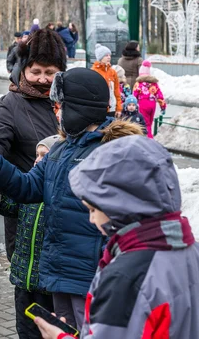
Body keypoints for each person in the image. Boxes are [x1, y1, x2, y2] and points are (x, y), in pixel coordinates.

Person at [0, 68, 143, 330]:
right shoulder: (60, 149)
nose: (56, 112)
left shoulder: (114, 151)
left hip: (92, 277)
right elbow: (28, 188)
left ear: (79, 107)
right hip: (58, 272)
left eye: (61, 106)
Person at [35, 136, 199, 339]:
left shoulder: (127, 278)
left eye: (94, 208)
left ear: (122, 205)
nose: (92, 219)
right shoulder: (190, 251)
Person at [0, 28, 62, 262]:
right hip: (27, 214)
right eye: (36, 71)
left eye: (50, 72)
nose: (43, 79)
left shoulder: (68, 102)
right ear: (23, 69)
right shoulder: (10, 104)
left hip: (64, 214)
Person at [0, 134, 60, 339]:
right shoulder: (28, 190)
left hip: (46, 285)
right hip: (23, 277)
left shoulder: (57, 196)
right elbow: (8, 207)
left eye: (44, 155)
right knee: (24, 330)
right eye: (36, 155)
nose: (37, 159)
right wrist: (7, 183)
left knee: (45, 331)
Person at [133, 60, 166, 139]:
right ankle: (149, 137)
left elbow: (134, 96)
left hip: (143, 103)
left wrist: (132, 106)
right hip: (152, 104)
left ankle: (148, 140)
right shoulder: (154, 84)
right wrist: (163, 106)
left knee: (145, 124)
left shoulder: (138, 84)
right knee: (150, 123)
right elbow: (159, 96)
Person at [92, 44, 122, 117]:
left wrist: (118, 108)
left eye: (109, 55)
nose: (109, 57)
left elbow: (116, 91)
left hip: (112, 107)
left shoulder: (112, 72)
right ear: (100, 57)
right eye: (106, 55)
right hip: (98, 107)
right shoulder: (93, 72)